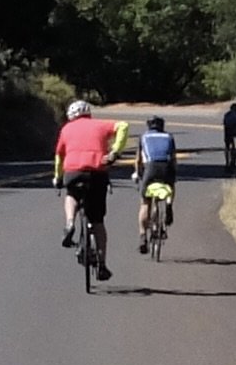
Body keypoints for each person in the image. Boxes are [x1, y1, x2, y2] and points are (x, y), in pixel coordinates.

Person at [54, 99, 127, 281]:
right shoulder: (100, 125)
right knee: (98, 222)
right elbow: (123, 125)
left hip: (73, 172)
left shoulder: (66, 129)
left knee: (71, 194)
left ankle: (70, 222)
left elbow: (59, 155)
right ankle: (102, 264)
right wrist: (115, 152)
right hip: (97, 173)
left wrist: (58, 177)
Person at [132, 114, 178, 254]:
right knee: (171, 186)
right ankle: (169, 204)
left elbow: (138, 160)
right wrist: (174, 174)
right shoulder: (169, 137)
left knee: (145, 203)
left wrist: (138, 174)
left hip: (150, 168)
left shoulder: (144, 137)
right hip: (166, 168)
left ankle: (142, 237)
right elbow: (173, 159)